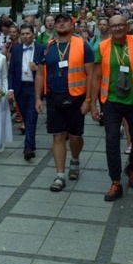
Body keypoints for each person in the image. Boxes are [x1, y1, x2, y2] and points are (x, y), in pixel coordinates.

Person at [89, 15, 133, 201]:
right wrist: (92, 104)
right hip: (110, 101)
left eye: (121, 25)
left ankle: (132, 168)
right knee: (111, 142)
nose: (117, 28)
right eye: (114, 26)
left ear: (127, 26)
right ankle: (115, 182)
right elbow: (95, 77)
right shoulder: (102, 47)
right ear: (109, 29)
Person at [35, 12, 94, 192]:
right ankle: (60, 176)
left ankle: (74, 160)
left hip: (77, 98)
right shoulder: (46, 47)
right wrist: (38, 97)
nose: (60, 24)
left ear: (72, 24)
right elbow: (39, 73)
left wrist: (89, 101)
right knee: (58, 136)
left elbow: (91, 75)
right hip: (54, 97)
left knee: (75, 137)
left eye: (64, 21)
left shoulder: (83, 45)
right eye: (58, 22)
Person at [7, 24, 44, 161]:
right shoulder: (16, 49)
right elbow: (11, 71)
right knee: (26, 117)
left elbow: (46, 69)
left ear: (33, 35)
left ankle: (27, 147)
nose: (25, 36)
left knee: (31, 116)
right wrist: (11, 89)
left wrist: (37, 69)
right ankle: (31, 144)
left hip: (34, 87)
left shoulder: (41, 48)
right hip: (20, 87)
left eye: (28, 34)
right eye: (22, 34)